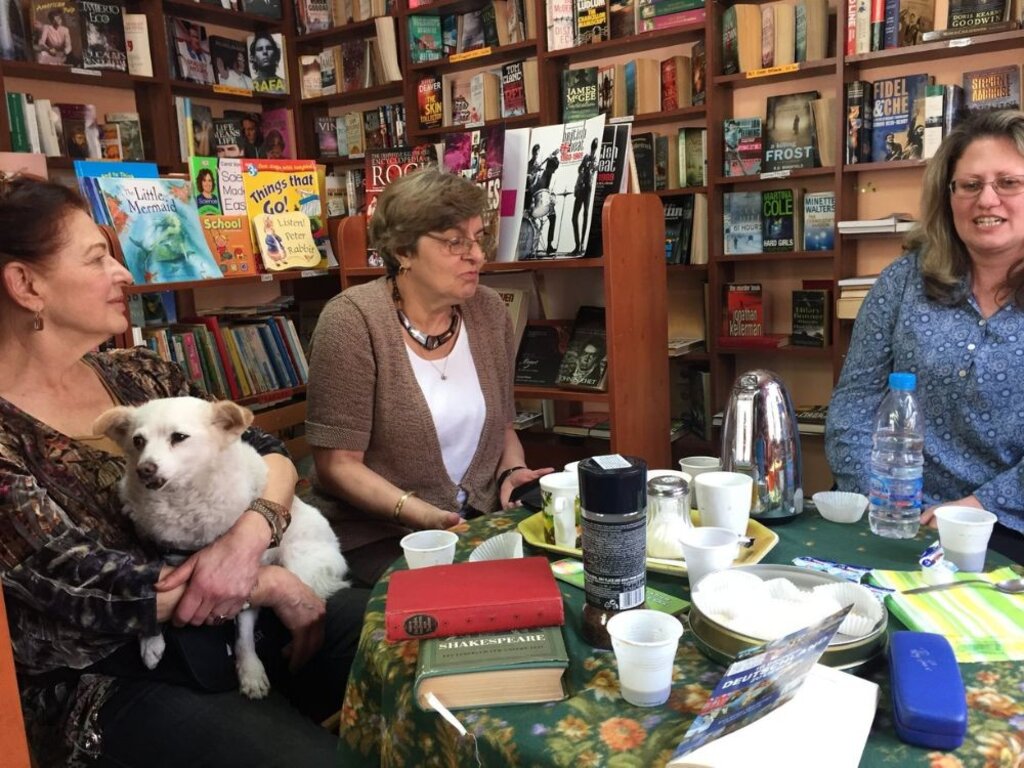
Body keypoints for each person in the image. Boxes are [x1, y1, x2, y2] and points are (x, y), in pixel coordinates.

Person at [0, 174, 370, 766]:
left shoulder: (141, 373)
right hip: (112, 675)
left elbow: (265, 449)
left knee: (406, 638)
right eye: (97, 258)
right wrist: (269, 583)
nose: (124, 273)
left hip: (235, 616)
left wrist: (252, 535)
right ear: (25, 285)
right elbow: (86, 585)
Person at [305, 169, 552, 585]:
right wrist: (424, 515)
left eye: (479, 238)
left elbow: (503, 428)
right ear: (403, 250)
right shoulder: (352, 322)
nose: (477, 256)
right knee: (468, 600)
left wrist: (511, 473)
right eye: (455, 242)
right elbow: (337, 466)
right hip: (378, 536)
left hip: (474, 525)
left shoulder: (489, 312)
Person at [825, 110, 1024, 562]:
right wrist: (881, 499)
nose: (987, 199)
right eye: (970, 185)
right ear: (948, 196)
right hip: (889, 510)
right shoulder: (902, 281)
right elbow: (854, 402)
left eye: (1009, 183)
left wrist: (978, 507)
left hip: (1004, 523)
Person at [571, 137, 599, 256]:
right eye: (592, 147)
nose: (593, 150)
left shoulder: (596, 159)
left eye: (594, 148)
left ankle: (582, 244)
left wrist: (590, 168)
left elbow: (594, 170)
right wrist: (582, 169)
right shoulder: (586, 157)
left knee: (586, 214)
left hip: (588, 188)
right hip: (580, 187)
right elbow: (579, 169)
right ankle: (577, 245)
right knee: (574, 217)